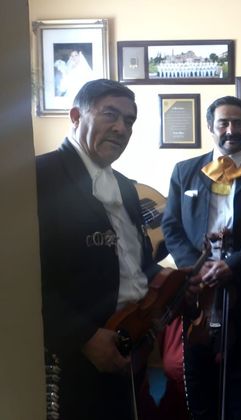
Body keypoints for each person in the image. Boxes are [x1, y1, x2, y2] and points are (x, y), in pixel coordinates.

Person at [36, 79, 200, 420]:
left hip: (129, 338)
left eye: (129, 120)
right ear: (76, 115)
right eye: (111, 114)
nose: (121, 127)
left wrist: (174, 281)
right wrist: (84, 337)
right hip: (73, 356)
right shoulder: (38, 177)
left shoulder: (126, 187)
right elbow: (21, 277)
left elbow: (135, 262)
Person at [162, 95, 241, 420]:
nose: (231, 129)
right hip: (196, 288)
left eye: (238, 123)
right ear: (210, 126)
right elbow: (171, 226)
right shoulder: (184, 171)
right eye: (223, 123)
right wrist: (195, 268)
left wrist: (233, 263)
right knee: (196, 367)